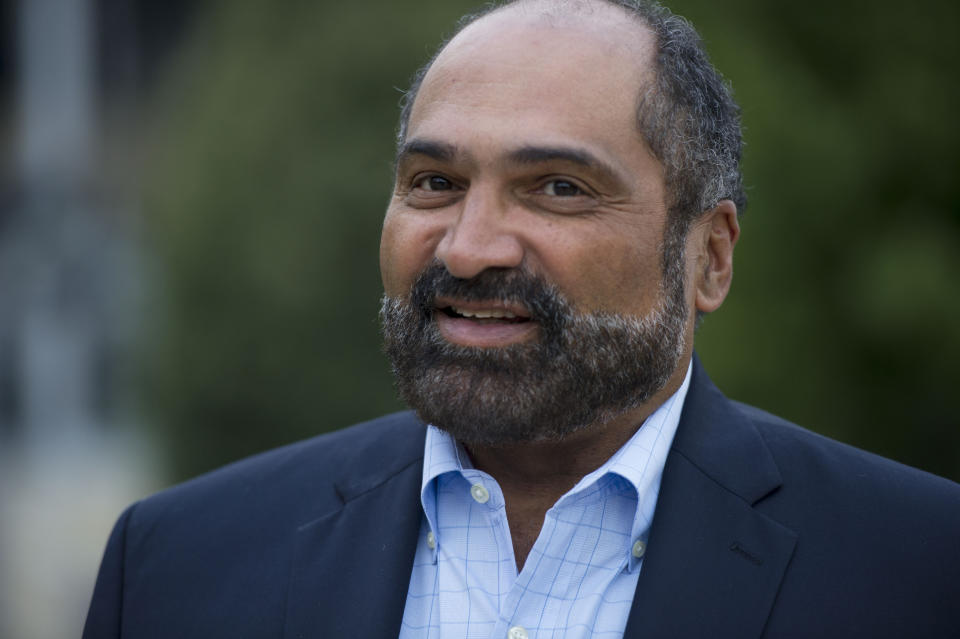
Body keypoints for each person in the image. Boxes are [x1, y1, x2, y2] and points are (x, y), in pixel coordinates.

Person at [84, 1, 960, 637]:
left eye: (558, 188)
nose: (468, 249)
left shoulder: (919, 570)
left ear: (710, 256)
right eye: (435, 182)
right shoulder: (177, 568)